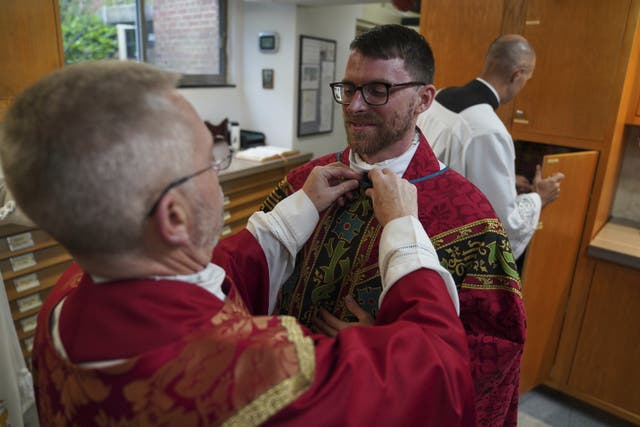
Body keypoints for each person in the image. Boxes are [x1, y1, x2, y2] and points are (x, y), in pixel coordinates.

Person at [0, 60, 477, 426]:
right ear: (173, 215)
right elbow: (438, 367)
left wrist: (300, 209)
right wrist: (402, 231)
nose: (218, 176)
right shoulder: (265, 371)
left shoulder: (63, 299)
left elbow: (207, 275)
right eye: (212, 161)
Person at [261, 25, 525, 426]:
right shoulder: (303, 182)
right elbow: (249, 276)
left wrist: (389, 347)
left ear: (423, 99)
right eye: (348, 89)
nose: (354, 106)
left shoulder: (472, 220)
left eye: (377, 91)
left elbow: (493, 354)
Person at [418, 34, 565, 259]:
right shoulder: (489, 130)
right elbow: (503, 224)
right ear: (518, 74)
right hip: (445, 249)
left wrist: (505, 180)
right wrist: (539, 198)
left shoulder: (440, 96)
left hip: (418, 226)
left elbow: (447, 170)